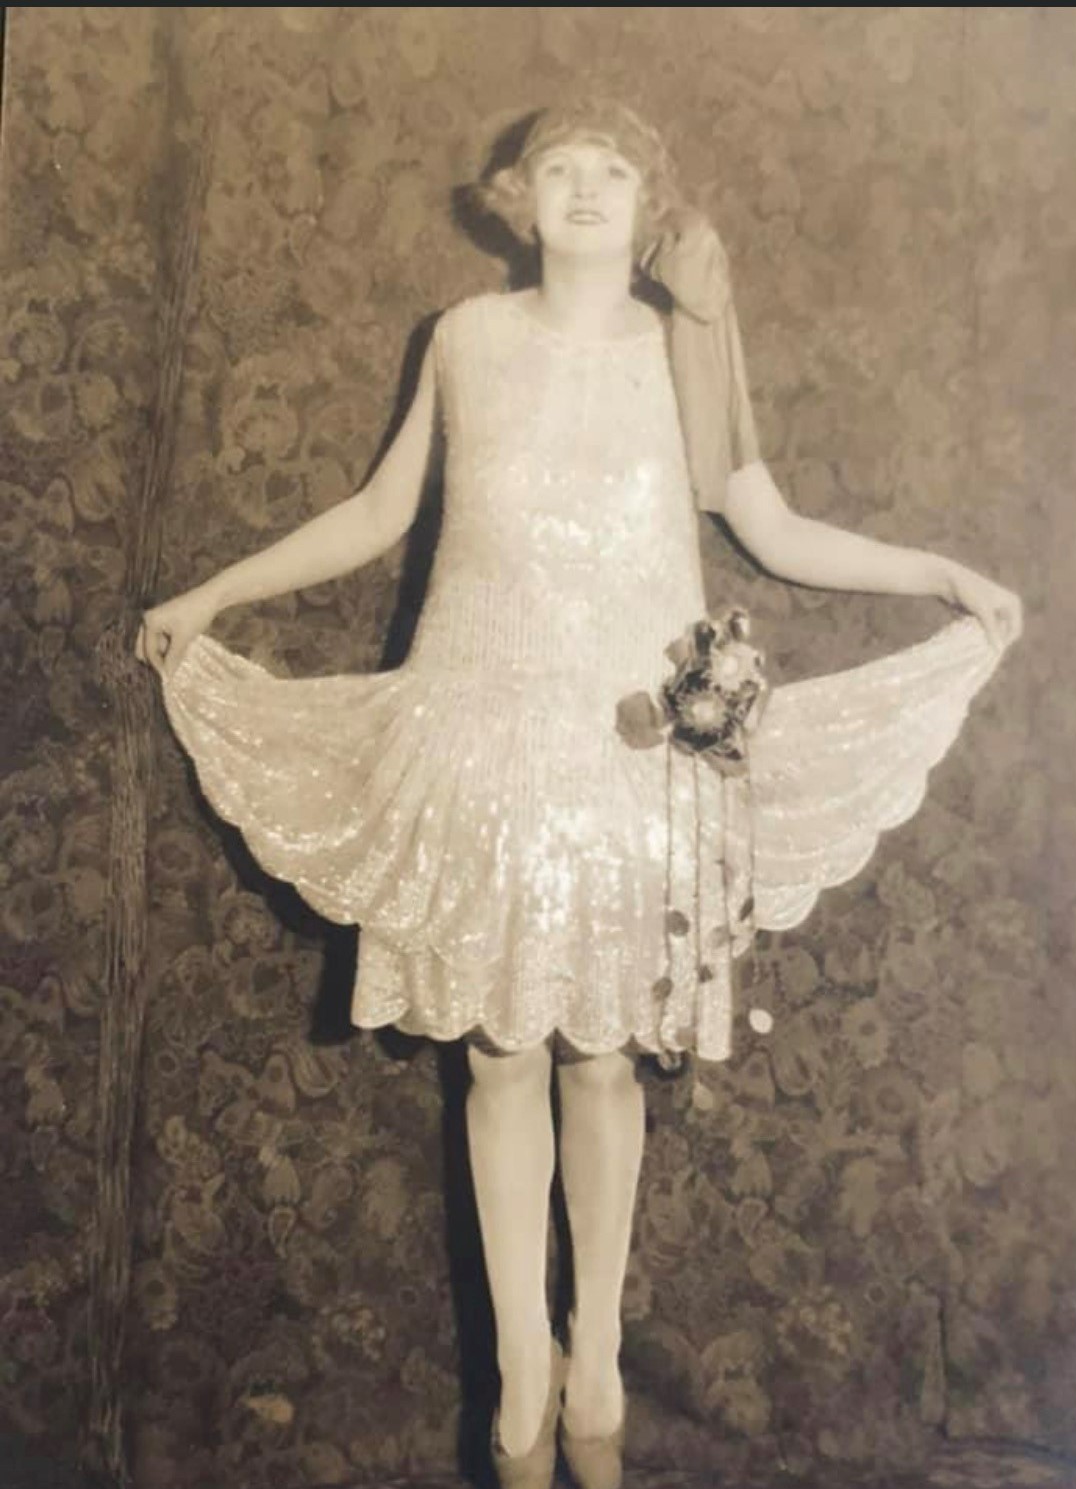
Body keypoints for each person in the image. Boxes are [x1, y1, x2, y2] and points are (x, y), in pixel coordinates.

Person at [136, 101, 1022, 1489]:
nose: (589, 192)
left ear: (646, 200)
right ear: (519, 199)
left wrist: (939, 574)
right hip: (482, 727)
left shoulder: (687, 342)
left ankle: (597, 1339)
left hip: (629, 747)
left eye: (615, 173)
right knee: (497, 1054)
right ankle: (519, 1358)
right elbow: (379, 514)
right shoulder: (466, 340)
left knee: (602, 1055)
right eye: (563, 172)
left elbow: (767, 522)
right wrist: (210, 594)